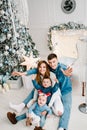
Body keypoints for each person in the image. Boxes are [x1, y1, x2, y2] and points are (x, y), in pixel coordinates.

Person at [47, 53, 72, 130]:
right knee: (38, 91)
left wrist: (67, 74)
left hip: (65, 90)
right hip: (54, 90)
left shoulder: (62, 67)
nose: (52, 64)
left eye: (54, 62)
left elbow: (67, 72)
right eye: (50, 62)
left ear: (57, 60)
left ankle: (62, 127)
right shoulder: (49, 68)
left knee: (67, 106)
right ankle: (22, 105)